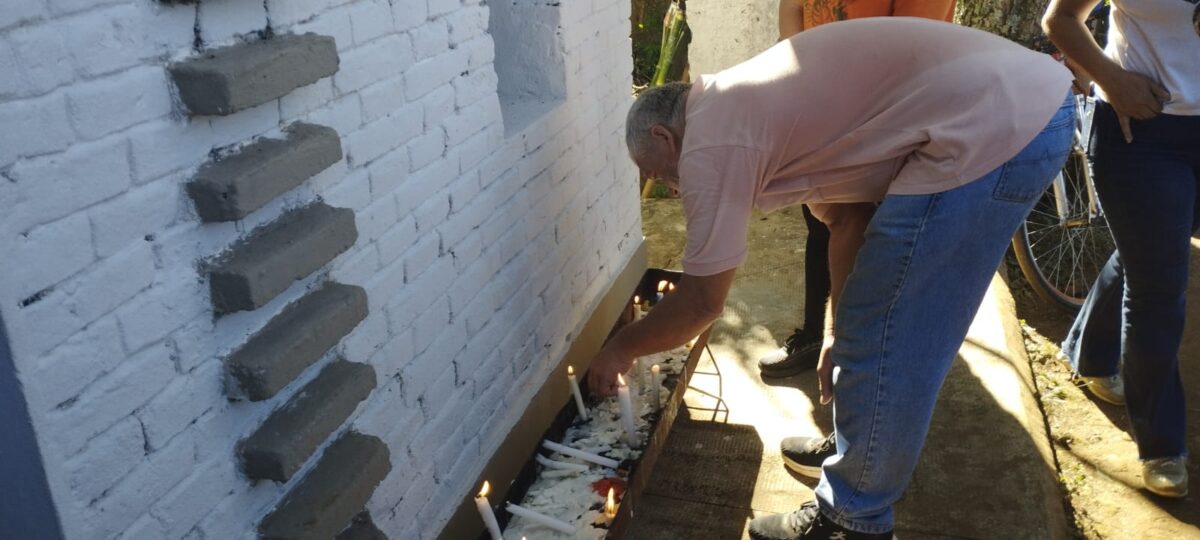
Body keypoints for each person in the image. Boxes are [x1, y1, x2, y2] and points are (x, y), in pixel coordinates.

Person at [588, 17, 1074, 539]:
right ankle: (858, 454)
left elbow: (703, 301)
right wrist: (838, 334)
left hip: (996, 128)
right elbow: (846, 222)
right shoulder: (755, 111)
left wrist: (620, 349)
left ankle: (853, 517)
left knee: (892, 333)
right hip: (1018, 109)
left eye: (660, 172)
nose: (670, 188)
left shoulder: (710, 142)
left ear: (664, 134)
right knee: (867, 326)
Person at [761, 0, 959, 483]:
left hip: (887, 125)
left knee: (879, 277)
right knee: (835, 235)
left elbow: (912, 52)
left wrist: (855, 130)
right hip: (831, 116)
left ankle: (860, 457)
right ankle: (857, 434)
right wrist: (808, 103)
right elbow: (793, 27)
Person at [1044, 0, 1199, 498]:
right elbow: (1061, 19)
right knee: (1159, 288)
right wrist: (1111, 79)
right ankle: (1161, 442)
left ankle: (1089, 354)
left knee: (1154, 250)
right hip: (1146, 131)